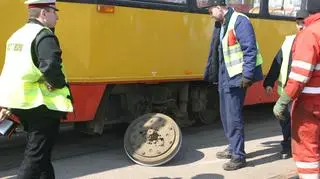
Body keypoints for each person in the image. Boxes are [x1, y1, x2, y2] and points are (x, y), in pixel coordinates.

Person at [0, 0, 73, 178]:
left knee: (42, 154)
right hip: (41, 105)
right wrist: (60, 83)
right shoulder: (44, 35)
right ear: (44, 13)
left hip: (20, 101)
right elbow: (50, 67)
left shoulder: (17, 35)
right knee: (35, 156)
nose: (57, 16)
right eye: (54, 12)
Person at [203, 0, 263, 171]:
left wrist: (247, 75)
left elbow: (249, 49)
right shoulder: (222, 24)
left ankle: (238, 156)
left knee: (234, 117)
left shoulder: (240, 20)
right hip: (224, 77)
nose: (209, 14)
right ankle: (232, 147)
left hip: (236, 78)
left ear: (219, 7)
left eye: (210, 10)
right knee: (225, 116)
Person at [273, 0, 320, 178]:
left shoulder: (310, 33)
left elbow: (300, 75)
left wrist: (283, 101)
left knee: (307, 152)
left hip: (310, 105)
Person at [263, 10, 309, 160]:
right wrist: (269, 82)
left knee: (301, 123)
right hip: (287, 91)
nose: (300, 26)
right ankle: (288, 146)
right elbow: (277, 62)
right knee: (285, 121)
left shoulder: (313, 42)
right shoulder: (289, 41)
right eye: (298, 23)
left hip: (304, 93)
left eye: (303, 23)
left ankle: (299, 148)